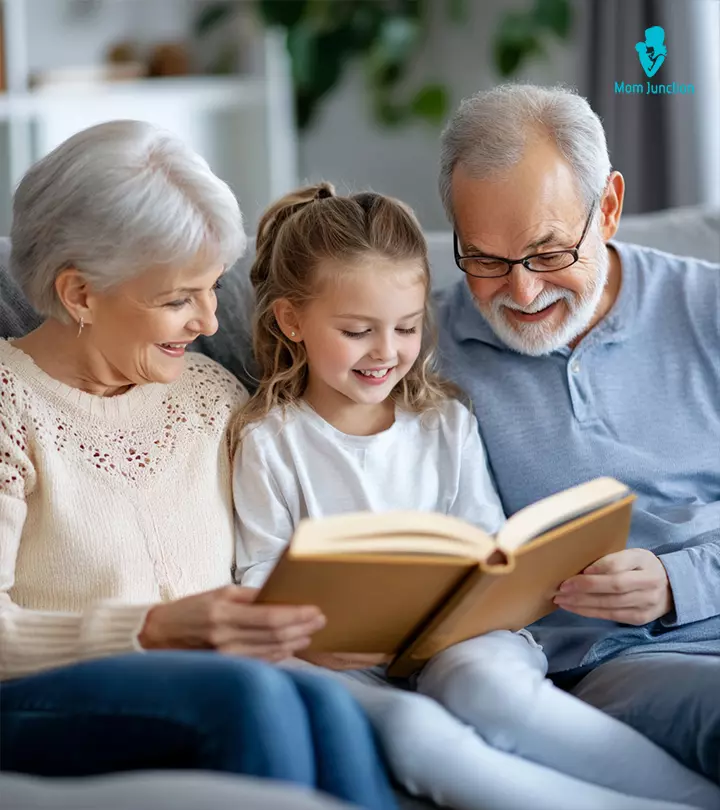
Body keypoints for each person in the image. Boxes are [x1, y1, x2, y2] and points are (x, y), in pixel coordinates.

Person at [230, 181, 720, 810]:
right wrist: (313, 636)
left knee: (492, 695)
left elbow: (488, 545)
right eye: (357, 331)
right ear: (291, 320)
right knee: (413, 735)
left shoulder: (445, 422)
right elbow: (258, 577)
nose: (386, 352)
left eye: (406, 328)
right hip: (331, 656)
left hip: (460, 641)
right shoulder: (271, 441)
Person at [0, 120, 397, 810]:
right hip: (36, 701)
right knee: (248, 698)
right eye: (178, 299)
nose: (211, 323)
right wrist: (151, 629)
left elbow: (273, 550)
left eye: (213, 288)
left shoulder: (212, 397)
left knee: (329, 706)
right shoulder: (9, 405)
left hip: (217, 683)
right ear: (80, 294)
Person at [435, 83, 720, 784]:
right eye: (486, 261)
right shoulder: (416, 348)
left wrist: (682, 579)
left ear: (611, 209)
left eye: (548, 252)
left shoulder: (707, 308)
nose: (523, 293)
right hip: (624, 663)